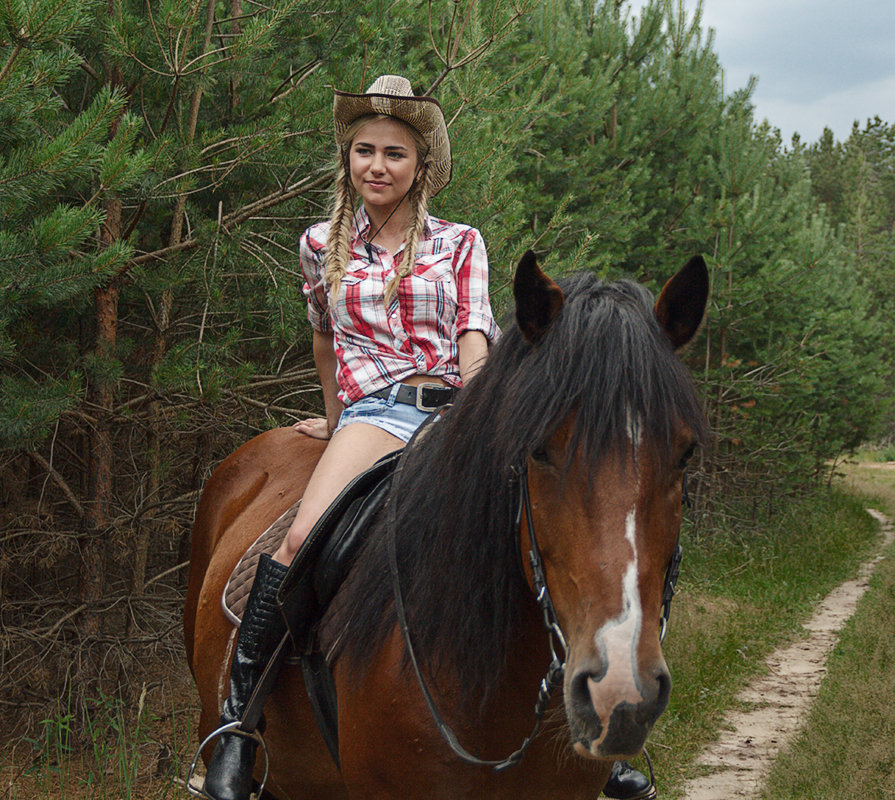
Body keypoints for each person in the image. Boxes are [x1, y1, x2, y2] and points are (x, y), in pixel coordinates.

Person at [199, 74, 654, 800]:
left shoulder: (459, 242)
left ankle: (602, 738)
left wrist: (482, 404)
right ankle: (237, 727)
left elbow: (475, 332)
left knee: (546, 535)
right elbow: (326, 340)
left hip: (456, 408)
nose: (376, 166)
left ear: (423, 167)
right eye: (364, 151)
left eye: (395, 154)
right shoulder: (321, 245)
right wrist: (334, 414)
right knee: (298, 540)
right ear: (347, 158)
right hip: (376, 415)